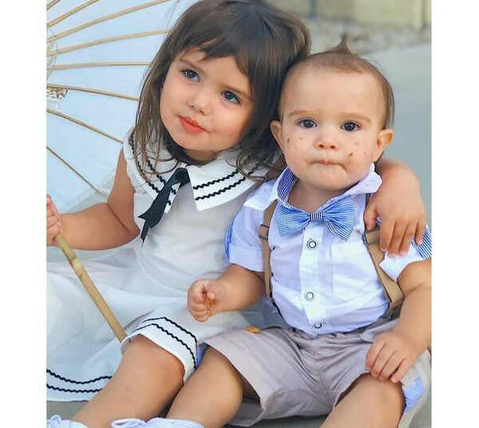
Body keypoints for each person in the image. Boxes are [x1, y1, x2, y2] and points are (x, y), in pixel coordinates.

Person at [46, 0, 427, 428]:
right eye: (190, 74)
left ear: (264, 115)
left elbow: (347, 164)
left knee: (154, 355)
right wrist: (61, 227)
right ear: (166, 67)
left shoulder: (267, 163)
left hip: (211, 306)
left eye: (230, 96)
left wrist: (401, 180)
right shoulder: (144, 146)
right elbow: (118, 219)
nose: (200, 102)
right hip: (140, 278)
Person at [130, 44, 432, 428]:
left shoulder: (384, 210)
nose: (327, 140)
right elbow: (251, 275)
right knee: (224, 360)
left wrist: (408, 338)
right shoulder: (263, 208)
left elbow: (426, 287)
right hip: (292, 345)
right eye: (307, 123)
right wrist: (223, 292)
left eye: (349, 127)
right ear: (280, 134)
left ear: (379, 143)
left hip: (370, 346)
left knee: (383, 389)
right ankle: (182, 423)